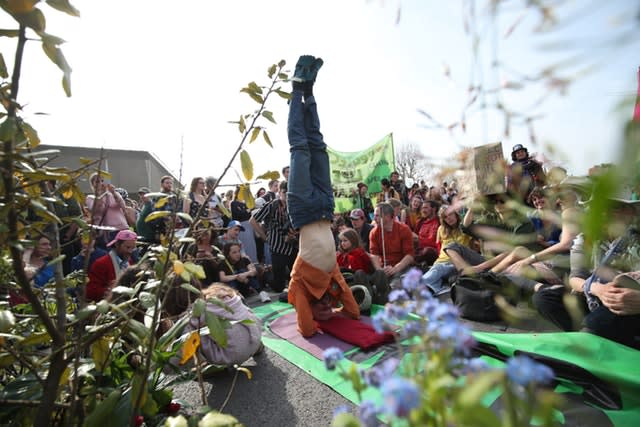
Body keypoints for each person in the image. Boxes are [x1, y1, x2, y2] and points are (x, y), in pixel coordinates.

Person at [284, 55, 360, 337]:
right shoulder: (331, 279)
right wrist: (335, 306)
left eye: (324, 310)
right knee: (318, 145)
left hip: (303, 208)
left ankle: (296, 90)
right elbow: (352, 312)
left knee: (300, 148)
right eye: (330, 308)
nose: (329, 309)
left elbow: (305, 330)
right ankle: (309, 91)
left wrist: (316, 318)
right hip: (326, 208)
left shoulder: (300, 286)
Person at [533, 198, 640, 349]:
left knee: (598, 322)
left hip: (629, 302)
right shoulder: (586, 238)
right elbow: (575, 277)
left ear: (632, 212)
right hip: (597, 296)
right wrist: (597, 289)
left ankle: (594, 338)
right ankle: (596, 337)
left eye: (615, 207)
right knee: (545, 298)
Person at [173, 284, 263, 367]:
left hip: (229, 356)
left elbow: (189, 323)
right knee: (247, 315)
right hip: (254, 340)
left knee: (187, 327)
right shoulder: (234, 298)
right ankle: (257, 346)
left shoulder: (202, 308)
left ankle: (201, 364)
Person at [250, 181, 298, 292]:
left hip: (293, 246)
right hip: (277, 247)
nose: (287, 195)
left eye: (290, 192)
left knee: (297, 276)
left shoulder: (295, 206)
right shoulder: (272, 205)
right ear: (279, 192)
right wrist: (264, 237)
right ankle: (267, 277)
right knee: (279, 285)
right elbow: (252, 220)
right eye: (284, 192)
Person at [421, 205, 474, 295]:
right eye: (445, 217)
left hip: (457, 262)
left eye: (450, 214)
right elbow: (439, 247)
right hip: (441, 262)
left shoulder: (464, 227)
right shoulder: (441, 229)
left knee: (438, 270)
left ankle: (417, 285)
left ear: (456, 214)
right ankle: (437, 289)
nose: (448, 218)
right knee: (437, 270)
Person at [369, 202, 416, 289]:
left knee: (397, 282)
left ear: (388, 216)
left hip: (401, 267)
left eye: (377, 216)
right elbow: (374, 254)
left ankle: (388, 290)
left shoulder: (403, 229)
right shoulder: (374, 232)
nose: (374, 218)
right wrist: (380, 270)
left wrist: (395, 269)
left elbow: (409, 255)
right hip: (384, 268)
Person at [337, 228, 388, 304]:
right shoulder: (340, 256)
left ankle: (381, 297)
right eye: (341, 241)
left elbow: (368, 268)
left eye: (345, 241)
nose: (342, 243)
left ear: (352, 240)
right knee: (359, 273)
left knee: (379, 273)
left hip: (365, 277)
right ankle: (367, 297)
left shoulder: (359, 253)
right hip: (350, 280)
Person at [86, 229, 138, 302]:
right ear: (117, 245)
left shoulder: (130, 262)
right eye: (127, 247)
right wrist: (108, 290)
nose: (130, 251)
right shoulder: (101, 264)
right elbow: (90, 290)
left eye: (133, 248)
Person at [85, 173, 129, 248]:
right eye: (98, 182)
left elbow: (122, 205)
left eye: (102, 181)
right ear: (92, 184)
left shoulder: (112, 194)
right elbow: (95, 209)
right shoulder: (90, 198)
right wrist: (101, 194)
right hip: (107, 232)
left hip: (121, 228)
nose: (101, 183)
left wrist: (113, 192)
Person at [230, 186, 258, 263]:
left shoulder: (245, 203)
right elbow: (238, 215)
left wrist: (246, 211)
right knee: (245, 245)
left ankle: (253, 262)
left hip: (249, 226)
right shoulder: (233, 203)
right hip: (241, 227)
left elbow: (248, 214)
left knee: (251, 245)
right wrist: (247, 211)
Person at [414, 200, 440, 267]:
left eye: (426, 208)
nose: (423, 210)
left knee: (428, 251)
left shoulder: (439, 222)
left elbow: (433, 242)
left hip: (432, 252)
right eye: (422, 208)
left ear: (434, 209)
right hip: (419, 251)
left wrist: (417, 238)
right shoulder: (420, 222)